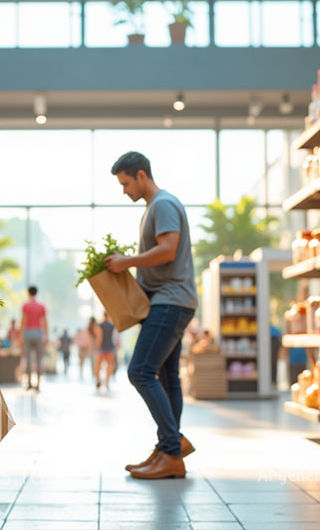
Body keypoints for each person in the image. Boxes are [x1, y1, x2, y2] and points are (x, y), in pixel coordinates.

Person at [105, 151, 198, 480]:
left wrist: (126, 262)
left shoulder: (163, 204)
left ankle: (172, 448)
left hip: (170, 301)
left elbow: (168, 250)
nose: (125, 190)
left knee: (140, 371)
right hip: (170, 300)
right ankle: (167, 449)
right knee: (167, 377)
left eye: (126, 183)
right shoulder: (153, 208)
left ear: (141, 175)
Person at [20, 286, 48, 391]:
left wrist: (20, 336)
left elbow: (23, 321)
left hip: (27, 334)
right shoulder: (41, 306)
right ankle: (39, 384)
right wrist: (46, 335)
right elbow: (45, 321)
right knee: (39, 359)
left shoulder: (26, 306)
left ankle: (29, 383)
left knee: (27, 358)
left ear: (28, 293)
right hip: (38, 334)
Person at [93, 313, 118, 390]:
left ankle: (98, 380)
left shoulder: (99, 325)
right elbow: (116, 338)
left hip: (102, 348)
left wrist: (96, 347)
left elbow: (99, 337)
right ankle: (107, 382)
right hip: (110, 348)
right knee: (109, 365)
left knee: (98, 365)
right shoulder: (113, 326)